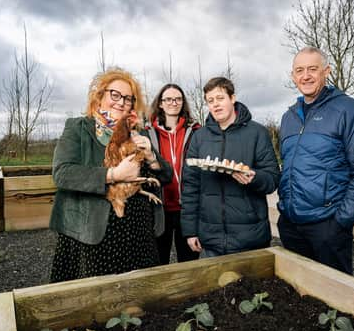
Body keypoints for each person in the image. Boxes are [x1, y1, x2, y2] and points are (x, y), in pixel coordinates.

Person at [49, 68, 172, 282]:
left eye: (128, 98)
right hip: (94, 233)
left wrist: (152, 156)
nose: (121, 102)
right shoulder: (78, 128)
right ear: (100, 95)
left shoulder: (138, 133)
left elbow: (166, 176)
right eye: (115, 94)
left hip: (138, 232)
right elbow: (62, 173)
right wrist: (113, 174)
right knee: (96, 299)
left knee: (139, 294)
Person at [277, 46, 354, 275]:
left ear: (327, 71)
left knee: (335, 299)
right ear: (292, 76)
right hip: (291, 225)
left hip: (327, 226)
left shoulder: (349, 110)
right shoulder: (288, 117)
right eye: (299, 70)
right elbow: (288, 167)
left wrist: (340, 222)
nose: (306, 76)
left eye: (313, 69)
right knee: (295, 292)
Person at [181, 77, 280, 257]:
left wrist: (254, 177)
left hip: (250, 238)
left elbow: (272, 179)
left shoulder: (257, 133)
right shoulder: (199, 137)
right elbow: (190, 187)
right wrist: (190, 231)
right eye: (210, 101)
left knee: (254, 286)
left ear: (232, 98)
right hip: (210, 240)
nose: (215, 105)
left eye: (220, 98)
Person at [146, 84, 201, 264]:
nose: (173, 103)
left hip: (188, 208)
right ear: (160, 103)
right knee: (158, 261)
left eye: (178, 99)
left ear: (183, 102)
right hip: (159, 207)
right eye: (168, 99)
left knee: (189, 260)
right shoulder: (147, 132)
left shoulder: (195, 131)